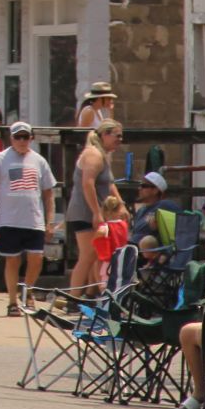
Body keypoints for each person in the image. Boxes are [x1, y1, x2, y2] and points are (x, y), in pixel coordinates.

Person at [0, 120, 55, 316]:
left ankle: (28, 291)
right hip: (8, 219)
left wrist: (50, 221)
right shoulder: (0, 159)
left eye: (26, 136)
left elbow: (48, 194)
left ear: (31, 138)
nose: (22, 141)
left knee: (36, 258)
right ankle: (13, 301)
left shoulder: (39, 161)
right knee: (12, 260)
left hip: (33, 218)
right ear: (11, 138)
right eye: (18, 137)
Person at [66, 120, 125, 291]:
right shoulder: (93, 155)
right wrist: (96, 213)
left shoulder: (103, 155)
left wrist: (121, 205)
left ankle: (93, 294)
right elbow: (87, 184)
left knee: (98, 255)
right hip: (85, 211)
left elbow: (110, 184)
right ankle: (74, 297)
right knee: (88, 256)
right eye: (117, 135)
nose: (120, 139)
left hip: (94, 211)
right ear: (105, 135)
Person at [91, 195, 131, 269]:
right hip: (122, 261)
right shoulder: (124, 224)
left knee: (97, 263)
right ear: (119, 210)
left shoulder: (105, 227)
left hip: (108, 264)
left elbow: (98, 237)